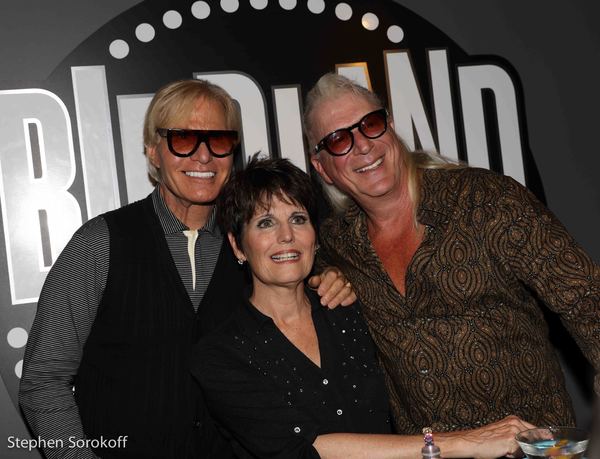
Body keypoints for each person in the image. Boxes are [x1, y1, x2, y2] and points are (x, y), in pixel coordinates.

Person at [18, 79, 353, 459]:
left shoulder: (255, 247)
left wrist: (331, 279)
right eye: (182, 139)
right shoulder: (101, 243)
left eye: (219, 140)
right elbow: (43, 380)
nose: (204, 156)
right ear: (152, 151)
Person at [304, 73, 600, 434]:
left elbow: (586, 297)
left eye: (371, 124)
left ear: (391, 128)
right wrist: (331, 273)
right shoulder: (337, 243)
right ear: (322, 168)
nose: (363, 145)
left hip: (532, 445)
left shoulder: (485, 200)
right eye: (338, 140)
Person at [191, 155, 535, 459]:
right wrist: (463, 443)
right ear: (238, 245)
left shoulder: (351, 310)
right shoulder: (220, 355)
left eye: (298, 219)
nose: (286, 236)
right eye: (265, 223)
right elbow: (304, 448)